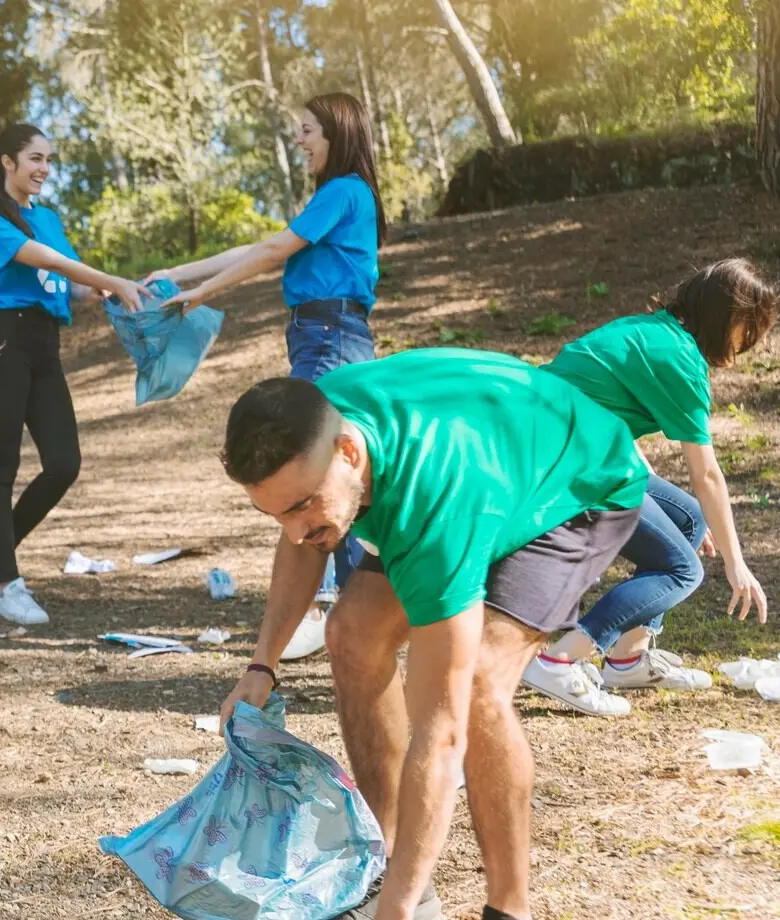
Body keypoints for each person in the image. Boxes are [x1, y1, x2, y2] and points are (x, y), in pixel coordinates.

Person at [216, 349, 649, 920]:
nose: (295, 533)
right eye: (277, 515)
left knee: (472, 689)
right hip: (487, 463)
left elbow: (439, 732)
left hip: (572, 486)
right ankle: (397, 873)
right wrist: (261, 665)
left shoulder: (435, 507)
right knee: (351, 634)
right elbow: (300, 538)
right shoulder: (316, 424)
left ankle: (506, 907)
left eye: (301, 507)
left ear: (349, 453)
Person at [154, 91, 386, 661]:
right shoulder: (339, 197)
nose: (301, 140)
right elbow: (263, 246)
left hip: (328, 336)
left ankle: (337, 605)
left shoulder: (343, 191)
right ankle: (346, 605)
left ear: (337, 133)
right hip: (323, 334)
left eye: (308, 130)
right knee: (331, 468)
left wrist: (202, 294)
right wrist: (178, 274)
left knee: (318, 471)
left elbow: (275, 249)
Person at [523, 258, 775, 715]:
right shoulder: (678, 360)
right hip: (562, 456)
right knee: (684, 570)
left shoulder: (655, 332)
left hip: (566, 441)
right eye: (750, 326)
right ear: (727, 317)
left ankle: (628, 657)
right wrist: (737, 565)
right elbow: (708, 474)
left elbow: (610, 413)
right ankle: (560, 658)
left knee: (688, 518)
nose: (749, 342)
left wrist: (682, 517)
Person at [0, 123, 151, 626]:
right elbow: (45, 261)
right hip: (4, 341)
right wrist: (105, 276)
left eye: (49, 159)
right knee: (0, 467)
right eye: (35, 158)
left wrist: (100, 292)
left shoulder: (47, 217)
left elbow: (64, 282)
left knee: (64, 463)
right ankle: (7, 582)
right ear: (7, 161)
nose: (45, 169)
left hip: (46, 345)